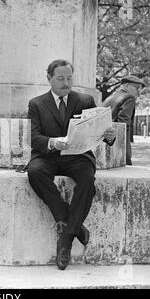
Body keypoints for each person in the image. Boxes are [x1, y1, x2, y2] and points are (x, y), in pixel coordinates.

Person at [27, 59, 116, 270]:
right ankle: (72, 224)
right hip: (48, 155)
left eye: (69, 78)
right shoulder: (36, 104)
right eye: (60, 79)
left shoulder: (85, 100)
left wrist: (108, 136)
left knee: (87, 182)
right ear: (48, 79)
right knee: (34, 172)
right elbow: (33, 136)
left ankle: (65, 241)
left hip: (78, 156)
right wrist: (52, 142)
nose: (66, 83)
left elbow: (99, 129)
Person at [102, 75, 145, 165]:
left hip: (105, 144)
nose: (138, 93)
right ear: (126, 86)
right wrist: (126, 154)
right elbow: (123, 126)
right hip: (118, 147)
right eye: (136, 88)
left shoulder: (109, 98)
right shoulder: (129, 98)